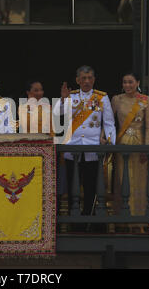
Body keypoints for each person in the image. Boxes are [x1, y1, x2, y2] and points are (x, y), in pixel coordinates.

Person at [54, 66, 116, 217]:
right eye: (83, 78)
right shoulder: (71, 96)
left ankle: (88, 219)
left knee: (90, 186)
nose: (86, 81)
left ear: (94, 80)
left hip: (93, 148)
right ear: (77, 80)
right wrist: (62, 99)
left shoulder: (102, 98)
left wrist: (108, 142)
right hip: (72, 147)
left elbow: (108, 123)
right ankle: (72, 218)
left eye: (89, 78)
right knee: (71, 185)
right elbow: (57, 113)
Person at [111, 72, 149, 232]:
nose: (127, 85)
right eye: (124, 82)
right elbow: (109, 122)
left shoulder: (146, 100)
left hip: (138, 144)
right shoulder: (117, 99)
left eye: (130, 82)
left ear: (137, 83)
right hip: (122, 143)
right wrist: (106, 138)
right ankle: (122, 222)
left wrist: (146, 148)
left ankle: (138, 222)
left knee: (139, 183)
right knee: (123, 181)